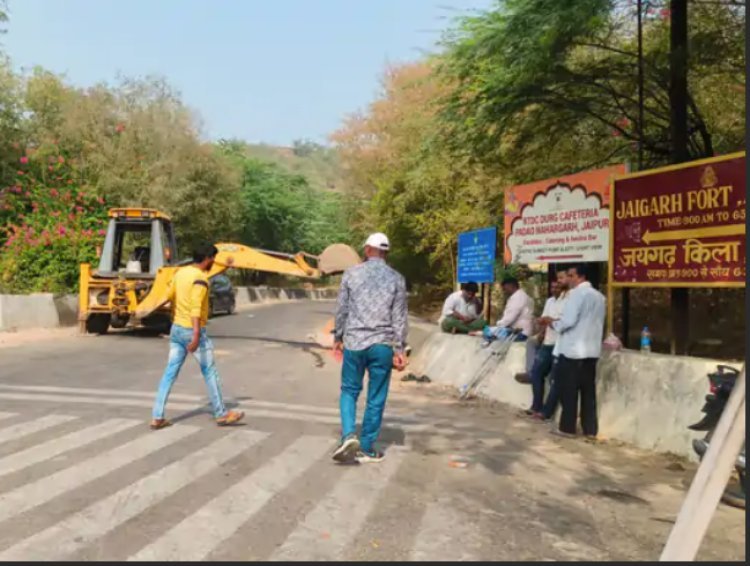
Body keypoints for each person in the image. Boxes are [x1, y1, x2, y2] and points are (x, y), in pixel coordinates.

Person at [332, 232, 408, 464]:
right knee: (376, 397)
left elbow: (342, 308)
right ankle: (366, 447)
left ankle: (348, 435)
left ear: (367, 250)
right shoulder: (397, 278)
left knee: (349, 391)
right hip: (382, 346)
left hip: (354, 343)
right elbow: (400, 318)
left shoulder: (351, 274)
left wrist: (338, 335)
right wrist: (400, 348)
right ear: (386, 253)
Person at [150, 243, 244, 430]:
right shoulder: (200, 279)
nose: (214, 263)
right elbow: (195, 309)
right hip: (192, 331)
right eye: (213, 259)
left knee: (169, 373)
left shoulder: (180, 273)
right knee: (209, 372)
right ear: (208, 258)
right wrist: (195, 336)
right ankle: (222, 413)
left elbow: (167, 296)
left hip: (176, 329)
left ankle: (157, 416)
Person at [541, 264, 606, 439]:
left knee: (568, 391)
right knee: (588, 393)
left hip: (572, 350)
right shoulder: (600, 297)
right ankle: (590, 429)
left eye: (571, 275)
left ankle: (567, 428)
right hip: (591, 350)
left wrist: (552, 323)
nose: (568, 279)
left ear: (580, 277)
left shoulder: (577, 295)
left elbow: (568, 322)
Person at [523, 273, 569, 417]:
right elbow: (544, 319)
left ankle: (546, 412)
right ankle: (536, 406)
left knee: (554, 379)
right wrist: (541, 331)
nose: (554, 289)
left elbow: (566, 321)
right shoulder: (549, 301)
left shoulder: (569, 301)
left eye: (557, 286)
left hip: (560, 344)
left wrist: (550, 320)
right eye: (553, 287)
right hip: (548, 341)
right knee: (536, 372)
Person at [476, 278, 533, 344]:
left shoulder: (517, 298)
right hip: (522, 331)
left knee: (488, 335)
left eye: (505, 288)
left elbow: (509, 318)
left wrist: (497, 326)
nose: (504, 291)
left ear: (511, 286)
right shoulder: (523, 296)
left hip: (520, 333)